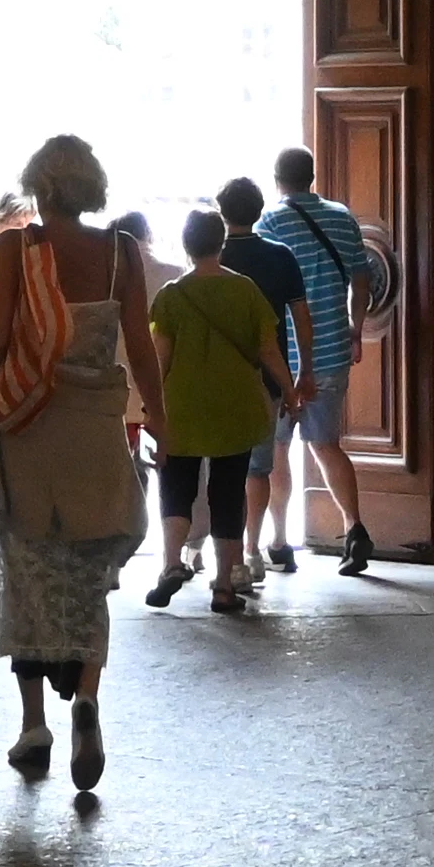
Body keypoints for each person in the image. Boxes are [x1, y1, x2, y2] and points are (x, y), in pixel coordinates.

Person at [0, 133, 160, 793]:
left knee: (25, 565)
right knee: (87, 575)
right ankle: (87, 703)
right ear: (92, 187)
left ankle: (32, 727)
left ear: (40, 187)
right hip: (95, 428)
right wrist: (159, 417)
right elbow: (138, 344)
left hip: (30, 426)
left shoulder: (19, 250)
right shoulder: (121, 254)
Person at [243, 146, 382, 576]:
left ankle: (279, 540)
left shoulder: (270, 222)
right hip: (333, 350)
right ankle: (354, 528)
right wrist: (355, 328)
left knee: (277, 449)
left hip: (284, 355)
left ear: (277, 179)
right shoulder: (342, 218)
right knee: (326, 445)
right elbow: (360, 281)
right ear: (312, 176)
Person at [145, 198, 287, 612]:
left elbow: (160, 360)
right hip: (234, 406)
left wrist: (152, 411)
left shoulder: (171, 296)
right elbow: (268, 350)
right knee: (228, 493)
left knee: (176, 490)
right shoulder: (245, 290)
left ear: (186, 246)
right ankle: (224, 585)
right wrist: (291, 389)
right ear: (221, 243)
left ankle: (173, 563)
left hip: (182, 408)